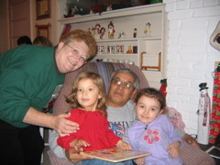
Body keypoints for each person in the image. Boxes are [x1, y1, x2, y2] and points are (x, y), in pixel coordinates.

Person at [49, 68, 215, 165]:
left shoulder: (139, 109)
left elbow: (166, 127)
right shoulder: (91, 106)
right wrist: (67, 152)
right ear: (107, 86)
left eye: (127, 85)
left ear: (134, 93)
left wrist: (185, 140)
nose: (120, 87)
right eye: (117, 81)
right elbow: (57, 132)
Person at [0, 29, 97, 165]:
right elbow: (6, 103)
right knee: (11, 153)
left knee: (34, 147)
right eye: (75, 51)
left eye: (82, 58)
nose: (76, 59)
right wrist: (52, 122)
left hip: (22, 113)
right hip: (3, 109)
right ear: (61, 45)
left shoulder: (64, 70)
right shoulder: (34, 62)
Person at [57, 71, 132, 165]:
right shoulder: (74, 114)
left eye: (90, 89)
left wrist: (119, 142)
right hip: (89, 157)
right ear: (76, 94)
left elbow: (106, 133)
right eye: (80, 90)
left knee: (128, 160)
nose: (84, 93)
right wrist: (74, 142)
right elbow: (62, 137)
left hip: (105, 154)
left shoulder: (101, 114)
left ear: (99, 94)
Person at [128, 88, 183, 165]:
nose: (146, 112)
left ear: (160, 111)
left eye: (152, 109)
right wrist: (136, 157)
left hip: (171, 161)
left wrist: (176, 144)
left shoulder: (163, 120)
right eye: (142, 107)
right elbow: (132, 149)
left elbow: (174, 135)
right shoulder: (132, 130)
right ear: (135, 105)